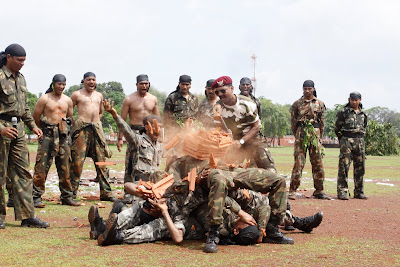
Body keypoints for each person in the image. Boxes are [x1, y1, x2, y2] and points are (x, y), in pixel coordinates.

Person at [0, 43, 49, 228]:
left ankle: (27, 216)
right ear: (9, 57)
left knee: (23, 173)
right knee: (0, 172)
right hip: (2, 128)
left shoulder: (21, 79)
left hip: (18, 128)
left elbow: (25, 107)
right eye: (19, 60)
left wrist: (33, 126)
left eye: (24, 61)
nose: (22, 64)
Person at [31, 74, 80, 208]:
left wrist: (70, 132)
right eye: (59, 84)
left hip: (63, 136)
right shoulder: (44, 99)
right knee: (41, 167)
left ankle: (66, 196)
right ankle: (35, 197)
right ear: (53, 84)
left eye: (64, 84)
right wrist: (42, 130)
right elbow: (36, 117)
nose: (62, 87)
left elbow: (70, 118)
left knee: (65, 168)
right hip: (47, 136)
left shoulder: (68, 100)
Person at [212, 76, 276, 172]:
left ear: (232, 89)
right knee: (228, 171)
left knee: (270, 171)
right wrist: (225, 135)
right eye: (217, 92)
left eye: (223, 91)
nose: (220, 94)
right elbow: (218, 127)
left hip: (253, 139)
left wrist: (241, 141)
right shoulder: (217, 107)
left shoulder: (247, 104)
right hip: (234, 142)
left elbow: (256, 127)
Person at [102, 99, 163, 199]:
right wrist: (115, 115)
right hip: (140, 184)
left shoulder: (159, 145)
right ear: (147, 127)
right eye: (155, 126)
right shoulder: (138, 140)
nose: (158, 130)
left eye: (160, 127)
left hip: (155, 185)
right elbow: (126, 130)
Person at [69, 72, 115, 202]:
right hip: (81, 130)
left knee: (101, 161)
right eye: (89, 79)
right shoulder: (77, 94)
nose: (91, 82)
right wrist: (75, 123)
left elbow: (100, 112)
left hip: (96, 129)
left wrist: (95, 122)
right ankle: (72, 193)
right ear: (83, 81)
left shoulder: (99, 95)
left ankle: (106, 193)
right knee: (77, 162)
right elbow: (69, 111)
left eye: (94, 80)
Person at [117, 74, 160, 203]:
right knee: (131, 162)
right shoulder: (129, 99)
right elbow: (122, 120)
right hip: (133, 132)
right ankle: (128, 193)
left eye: (146, 83)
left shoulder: (153, 99)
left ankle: (147, 189)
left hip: (149, 133)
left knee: (149, 163)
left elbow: (158, 120)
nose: (144, 86)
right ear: (137, 85)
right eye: (141, 83)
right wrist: (120, 138)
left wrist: (160, 135)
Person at [289, 80, 330, 200]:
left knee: (317, 163)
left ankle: (319, 190)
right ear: (302, 89)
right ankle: (292, 190)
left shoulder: (320, 104)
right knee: (299, 163)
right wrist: (297, 135)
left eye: (309, 88)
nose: (307, 91)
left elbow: (322, 123)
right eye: (305, 88)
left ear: (313, 89)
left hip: (315, 134)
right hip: (301, 134)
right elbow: (293, 122)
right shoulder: (297, 104)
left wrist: (319, 137)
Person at [334, 92, 368, 200]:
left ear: (360, 100)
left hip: (360, 141)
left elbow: (364, 126)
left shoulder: (363, 114)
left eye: (356, 100)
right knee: (344, 166)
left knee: (360, 167)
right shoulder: (343, 112)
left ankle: (359, 192)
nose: (354, 101)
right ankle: (342, 192)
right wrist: (343, 139)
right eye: (352, 99)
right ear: (349, 99)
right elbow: (337, 128)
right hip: (347, 140)